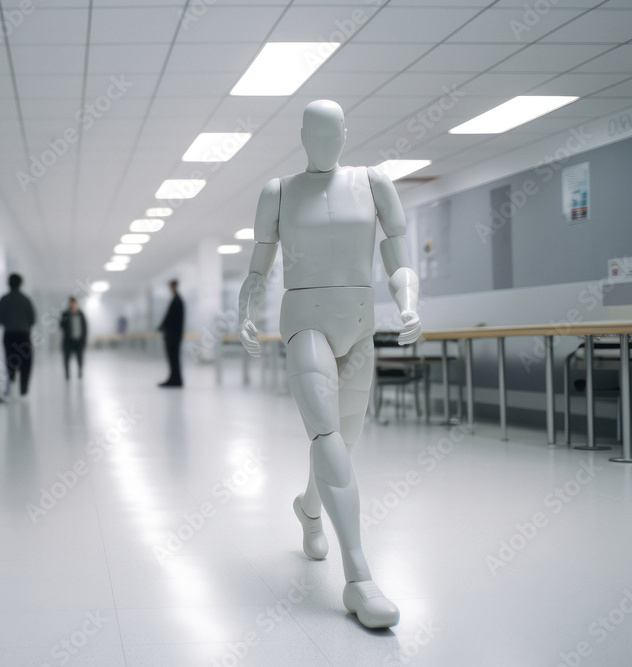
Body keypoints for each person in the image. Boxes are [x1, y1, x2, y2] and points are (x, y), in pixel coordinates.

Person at [237, 100, 422, 629]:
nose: (323, 142)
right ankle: (359, 577)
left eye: (332, 132)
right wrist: (246, 312)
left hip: (360, 320)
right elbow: (259, 265)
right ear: (300, 136)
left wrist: (409, 301)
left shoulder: (374, 182)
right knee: (326, 436)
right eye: (312, 133)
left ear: (345, 133)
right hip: (305, 319)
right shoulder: (279, 191)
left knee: (344, 439)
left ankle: (309, 508)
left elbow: (397, 251)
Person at [0, 273, 36, 396]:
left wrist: (9, 323)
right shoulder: (26, 300)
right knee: (26, 362)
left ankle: (11, 383)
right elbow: (33, 319)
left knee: (10, 360)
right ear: (21, 284)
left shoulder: (4, 300)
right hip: (23, 335)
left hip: (9, 335)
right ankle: (23, 390)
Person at [158, 279, 184, 387]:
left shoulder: (177, 301)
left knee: (174, 358)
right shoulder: (176, 300)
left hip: (173, 336)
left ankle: (176, 380)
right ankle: (174, 378)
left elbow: (171, 318)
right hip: (173, 335)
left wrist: (163, 327)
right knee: (173, 358)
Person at [59, 296, 87, 380]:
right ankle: (67, 374)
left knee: (80, 358)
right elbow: (61, 326)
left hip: (79, 341)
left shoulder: (81, 314)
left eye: (74, 303)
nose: (73, 305)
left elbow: (85, 328)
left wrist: (84, 340)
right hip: (68, 341)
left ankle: (80, 371)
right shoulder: (65, 314)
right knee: (66, 358)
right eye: (71, 303)